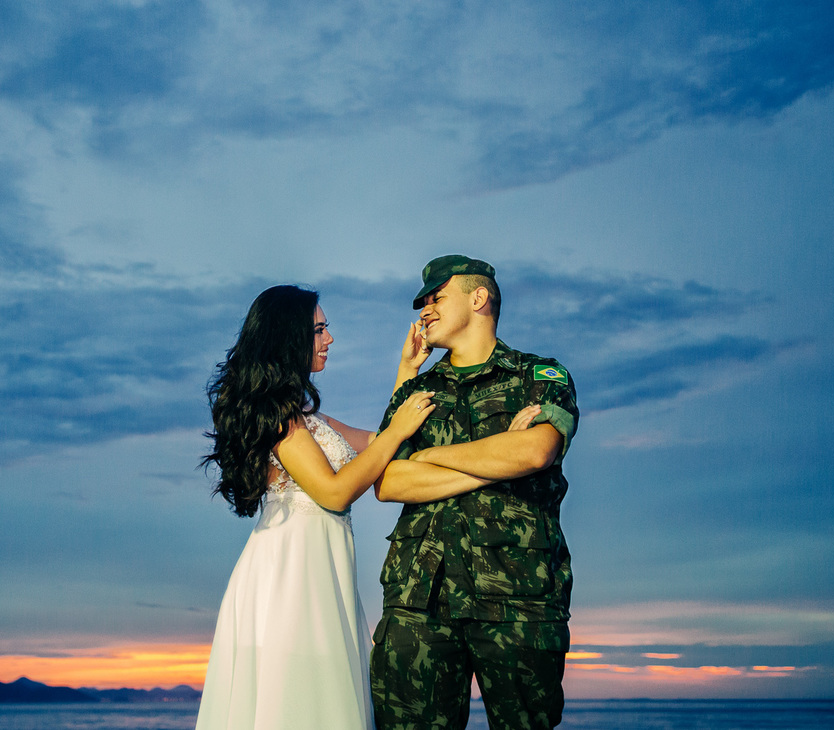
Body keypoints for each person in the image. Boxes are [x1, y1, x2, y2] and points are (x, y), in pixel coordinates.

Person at [195, 284, 438, 729]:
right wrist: (397, 431)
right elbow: (333, 491)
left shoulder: (309, 420)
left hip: (321, 569)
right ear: (289, 339)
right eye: (319, 330)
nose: (329, 339)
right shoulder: (278, 418)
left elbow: (380, 441)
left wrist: (406, 370)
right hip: (290, 574)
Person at [369, 256, 580, 730]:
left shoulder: (538, 375)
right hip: (418, 600)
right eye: (422, 302)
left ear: (478, 298)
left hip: (517, 598)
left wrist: (428, 457)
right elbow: (387, 481)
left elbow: (535, 451)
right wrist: (493, 463)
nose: (424, 309)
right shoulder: (415, 392)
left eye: (436, 298)